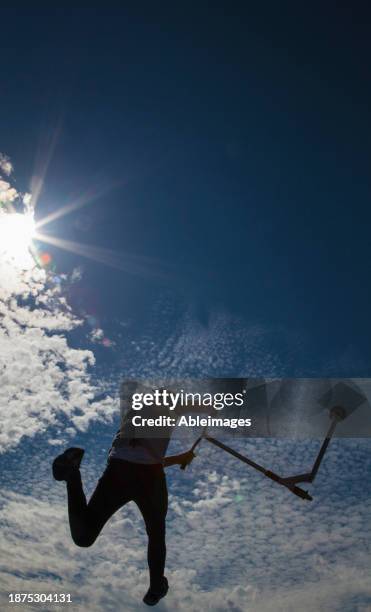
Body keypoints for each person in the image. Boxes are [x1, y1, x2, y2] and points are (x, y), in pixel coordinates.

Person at [52, 380, 198, 606]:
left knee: (83, 537)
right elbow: (204, 405)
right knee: (156, 532)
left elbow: (141, 458)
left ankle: (72, 474)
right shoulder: (170, 403)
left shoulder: (134, 412)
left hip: (120, 469)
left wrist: (179, 458)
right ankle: (156, 585)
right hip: (147, 477)